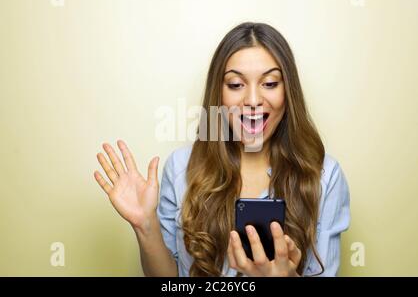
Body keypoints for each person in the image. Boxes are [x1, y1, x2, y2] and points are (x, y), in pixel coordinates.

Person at [93, 22, 350, 277]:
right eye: (236, 85)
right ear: (219, 94)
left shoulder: (325, 176)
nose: (252, 100)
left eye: (270, 83)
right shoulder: (181, 167)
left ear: (288, 93)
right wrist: (145, 225)